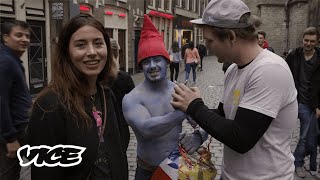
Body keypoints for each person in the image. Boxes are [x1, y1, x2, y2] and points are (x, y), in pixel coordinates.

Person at [171, 0, 298, 179]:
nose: (206, 47)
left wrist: (195, 107)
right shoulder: (233, 69)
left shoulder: (270, 70)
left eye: (209, 40)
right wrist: (198, 127)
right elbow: (224, 115)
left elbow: (241, 138)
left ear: (231, 36)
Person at [27, 14, 127, 180]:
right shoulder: (50, 105)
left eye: (98, 43)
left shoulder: (107, 95)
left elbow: (118, 151)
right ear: (67, 53)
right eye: (81, 45)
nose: (92, 52)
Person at [122, 14, 207, 180]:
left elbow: (204, 122)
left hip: (177, 169)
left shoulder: (179, 91)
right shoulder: (132, 98)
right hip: (147, 172)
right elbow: (147, 129)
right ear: (141, 66)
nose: (152, 66)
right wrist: (183, 112)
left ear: (166, 61)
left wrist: (198, 136)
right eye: (146, 62)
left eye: (157, 60)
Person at [286, 27, 320, 177]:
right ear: (303, 40)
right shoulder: (294, 55)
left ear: (317, 42)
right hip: (291, 101)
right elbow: (284, 73)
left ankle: (298, 162)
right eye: (306, 40)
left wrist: (318, 105)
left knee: (305, 136)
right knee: (282, 132)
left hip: (309, 104)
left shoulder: (319, 58)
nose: (309, 43)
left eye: (312, 41)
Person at [0, 20, 32, 180]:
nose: (25, 39)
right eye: (18, 35)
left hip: (17, 127)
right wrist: (10, 137)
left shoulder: (11, 60)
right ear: (5, 37)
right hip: (16, 129)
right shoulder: (6, 62)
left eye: (27, 36)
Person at [109, 38, 135, 151]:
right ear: (116, 54)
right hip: (121, 127)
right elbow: (135, 103)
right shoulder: (124, 78)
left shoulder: (94, 78)